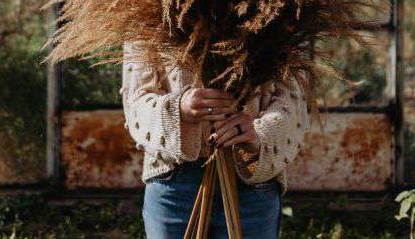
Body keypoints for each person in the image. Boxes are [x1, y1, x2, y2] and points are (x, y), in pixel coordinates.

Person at [120, 41, 311, 238]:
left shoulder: (286, 14)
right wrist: (179, 109)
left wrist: (260, 132)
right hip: (173, 181)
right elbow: (136, 100)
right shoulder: (147, 18)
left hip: (252, 181)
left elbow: (294, 97)